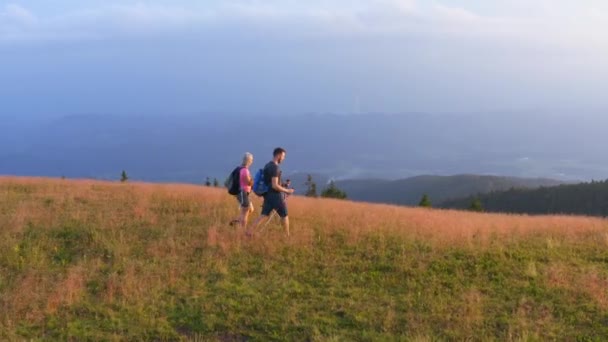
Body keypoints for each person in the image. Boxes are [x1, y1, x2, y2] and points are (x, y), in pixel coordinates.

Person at [246, 147, 294, 237]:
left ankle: (249, 232)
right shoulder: (275, 168)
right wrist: (288, 190)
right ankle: (287, 236)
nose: (283, 158)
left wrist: (283, 185)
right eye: (283, 156)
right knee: (284, 215)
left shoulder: (267, 165)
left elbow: (270, 182)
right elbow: (275, 185)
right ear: (279, 155)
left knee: (264, 214)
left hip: (267, 195)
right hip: (275, 196)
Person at [229, 152, 254, 228]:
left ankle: (236, 221)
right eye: (252, 160)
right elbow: (248, 182)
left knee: (251, 209)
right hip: (243, 192)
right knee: (245, 211)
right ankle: (242, 230)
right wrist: (253, 181)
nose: (252, 162)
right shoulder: (245, 170)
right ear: (249, 161)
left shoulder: (240, 169)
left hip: (243, 193)